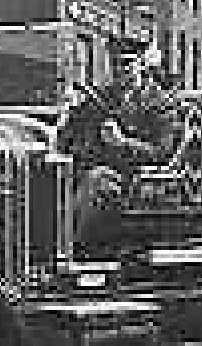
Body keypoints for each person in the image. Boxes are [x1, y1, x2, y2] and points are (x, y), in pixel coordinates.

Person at [58, 36, 186, 257]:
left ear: (141, 64)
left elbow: (164, 153)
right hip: (91, 176)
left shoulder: (159, 104)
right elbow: (69, 135)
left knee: (98, 180)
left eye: (127, 63)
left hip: (136, 182)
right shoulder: (100, 98)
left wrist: (122, 142)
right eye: (116, 64)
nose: (120, 70)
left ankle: (67, 250)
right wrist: (68, 117)